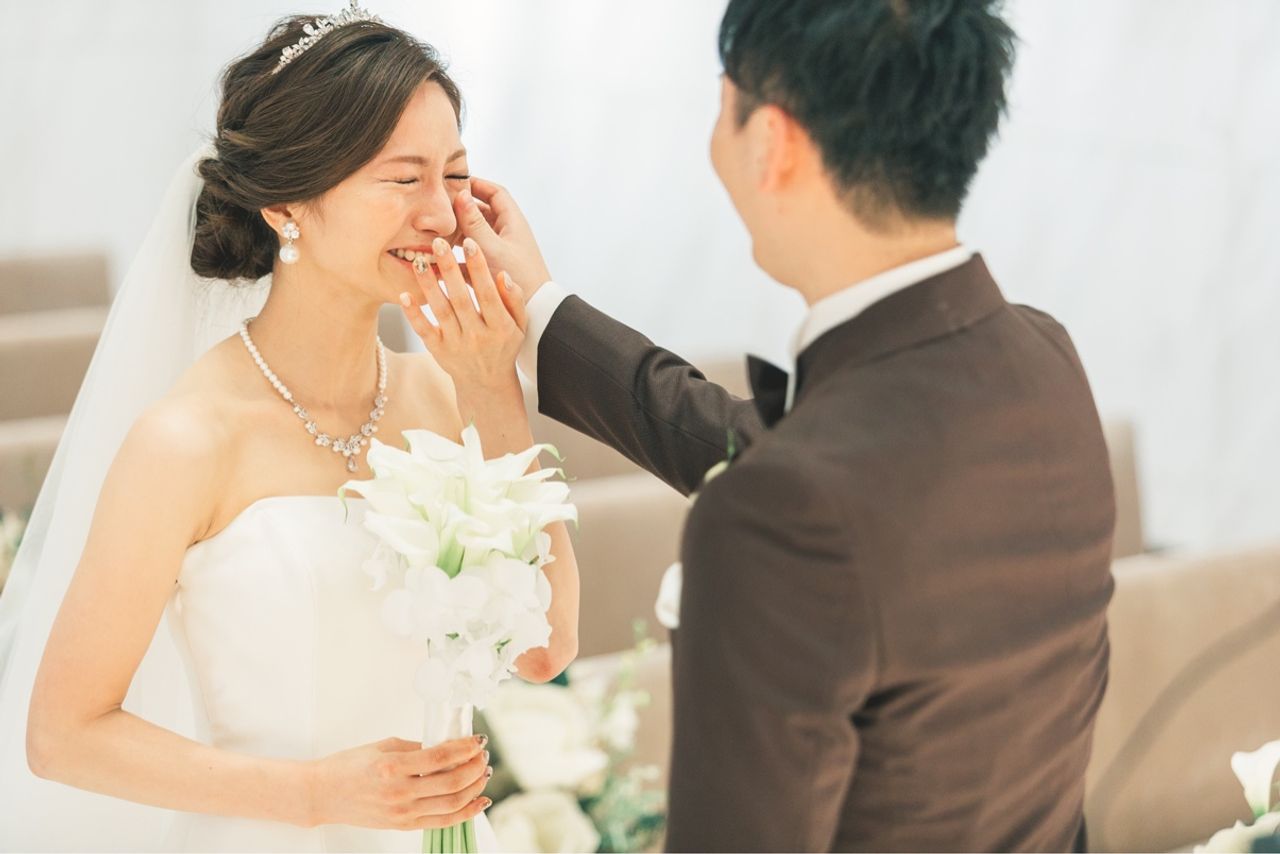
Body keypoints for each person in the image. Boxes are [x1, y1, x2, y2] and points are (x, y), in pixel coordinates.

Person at [440, 0, 1117, 850]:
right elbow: (798, 459)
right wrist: (542, 312)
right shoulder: (1041, 361)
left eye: (723, 103)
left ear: (771, 142)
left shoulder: (783, 513)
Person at [0, 6, 578, 851]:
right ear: (286, 204)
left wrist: (493, 387)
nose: (442, 213)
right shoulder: (188, 439)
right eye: (402, 179)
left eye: (455, 174)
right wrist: (314, 793)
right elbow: (62, 734)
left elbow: (545, 650)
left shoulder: (448, 396)